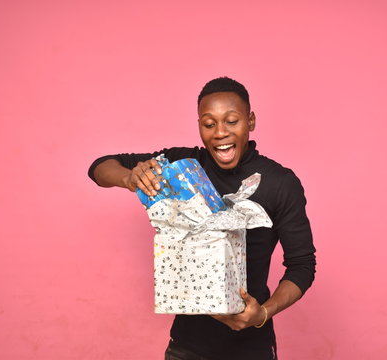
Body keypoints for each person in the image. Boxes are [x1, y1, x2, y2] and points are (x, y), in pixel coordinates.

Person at [88, 77, 316, 360]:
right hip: (187, 345)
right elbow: (100, 167)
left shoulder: (279, 183)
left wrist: (263, 313)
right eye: (209, 124)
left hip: (252, 346)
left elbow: (302, 266)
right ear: (199, 126)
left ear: (251, 121)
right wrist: (130, 177)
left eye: (232, 121)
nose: (220, 132)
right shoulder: (181, 166)